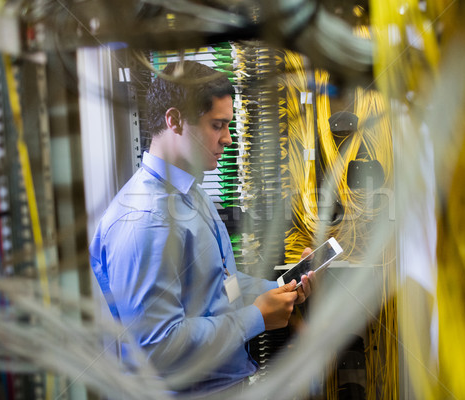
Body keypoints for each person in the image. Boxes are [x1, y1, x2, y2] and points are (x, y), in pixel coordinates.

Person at [89, 60, 313, 396]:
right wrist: (255, 318)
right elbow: (158, 348)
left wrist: (283, 287)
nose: (228, 138)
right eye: (217, 125)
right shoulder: (145, 218)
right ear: (175, 120)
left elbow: (220, 289)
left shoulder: (190, 192)